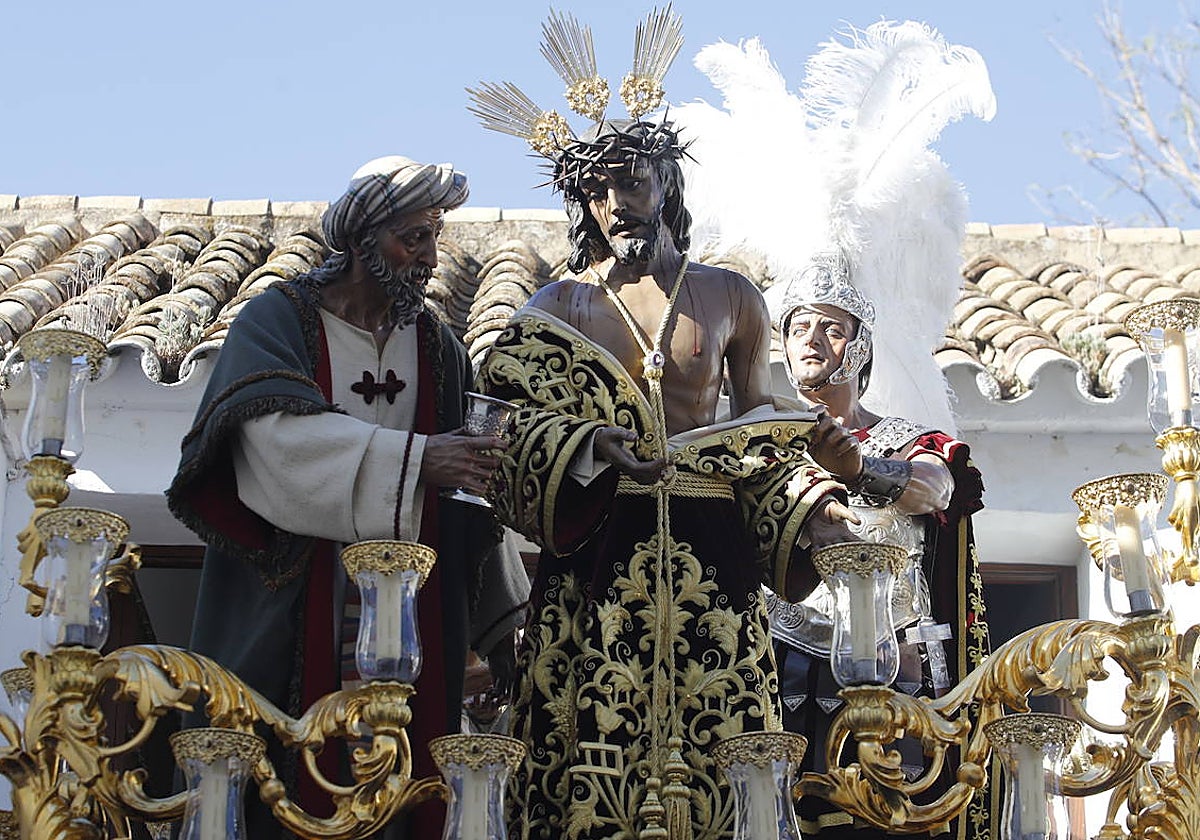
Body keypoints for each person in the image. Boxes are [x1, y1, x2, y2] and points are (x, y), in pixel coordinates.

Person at [473, 95, 859, 840]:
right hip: (597, 546)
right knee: (585, 747)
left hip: (711, 548)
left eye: (635, 184)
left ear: (667, 185)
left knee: (727, 762)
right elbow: (501, 433)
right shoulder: (556, 307)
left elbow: (755, 433)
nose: (618, 206)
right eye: (598, 191)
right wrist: (586, 446)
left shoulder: (729, 296)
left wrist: (816, 499)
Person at [165, 155, 529, 839]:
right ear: (363, 238)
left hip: (412, 616)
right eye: (412, 237)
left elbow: (473, 485)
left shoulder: (439, 346)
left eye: (434, 237)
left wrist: (504, 620)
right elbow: (267, 443)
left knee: (405, 788)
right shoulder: (278, 320)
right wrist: (421, 460)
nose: (429, 256)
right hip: (299, 595)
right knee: (275, 786)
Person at [763, 259, 991, 839]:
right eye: (797, 327)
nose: (811, 340)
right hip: (781, 663)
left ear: (860, 347)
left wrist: (860, 469)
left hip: (897, 667)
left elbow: (934, 486)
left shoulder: (905, 438)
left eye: (831, 328)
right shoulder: (759, 445)